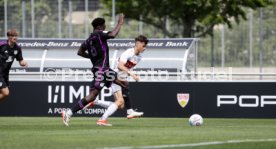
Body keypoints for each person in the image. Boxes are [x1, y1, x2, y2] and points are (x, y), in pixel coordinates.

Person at [62, 14, 127, 126]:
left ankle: (70, 112)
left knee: (122, 84)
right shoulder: (99, 34)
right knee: (123, 84)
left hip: (101, 70)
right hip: (103, 70)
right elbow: (112, 34)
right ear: (100, 26)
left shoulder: (88, 40)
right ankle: (71, 113)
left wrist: (92, 57)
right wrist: (119, 23)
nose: (105, 28)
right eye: (104, 26)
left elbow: (80, 52)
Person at [84, 35, 148, 125]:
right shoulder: (128, 53)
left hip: (122, 78)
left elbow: (128, 68)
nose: (145, 48)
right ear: (138, 44)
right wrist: (131, 74)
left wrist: (133, 74)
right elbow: (120, 66)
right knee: (120, 101)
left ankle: (95, 101)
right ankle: (102, 119)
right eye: (144, 45)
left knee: (120, 105)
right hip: (115, 77)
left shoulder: (139, 57)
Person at [0, 29, 28, 103]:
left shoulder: (17, 48)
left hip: (5, 75)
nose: (15, 37)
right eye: (13, 36)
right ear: (8, 37)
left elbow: (20, 61)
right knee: (6, 93)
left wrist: (24, 63)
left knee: (4, 94)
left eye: (16, 36)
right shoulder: (2, 45)